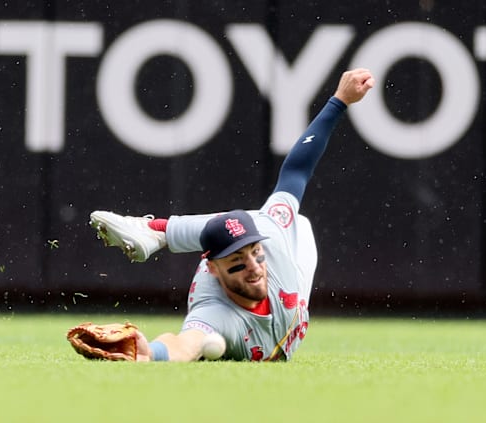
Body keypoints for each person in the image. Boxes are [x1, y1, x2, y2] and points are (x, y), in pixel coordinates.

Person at [83, 68, 375, 362]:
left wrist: (339, 100)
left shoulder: (272, 236)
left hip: (292, 252)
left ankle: (156, 232)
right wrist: (148, 353)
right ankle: (159, 232)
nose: (254, 267)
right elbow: (185, 345)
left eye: (254, 254)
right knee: (227, 230)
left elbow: (297, 170)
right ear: (212, 269)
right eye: (237, 263)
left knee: (257, 223)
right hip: (238, 296)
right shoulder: (215, 311)